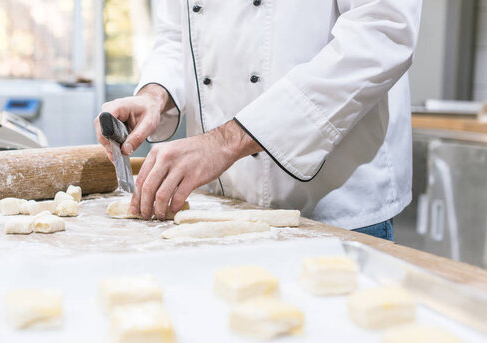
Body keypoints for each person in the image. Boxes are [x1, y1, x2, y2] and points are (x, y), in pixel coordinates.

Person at [96, 0, 422, 241]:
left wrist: (224, 143)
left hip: (335, 206)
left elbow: (381, 34)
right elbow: (175, 36)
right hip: (222, 205)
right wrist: (154, 95)